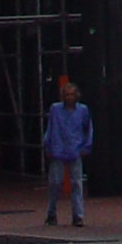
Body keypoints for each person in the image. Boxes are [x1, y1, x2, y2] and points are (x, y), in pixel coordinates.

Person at [43, 81, 93, 226]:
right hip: (58, 149)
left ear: (76, 95)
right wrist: (47, 146)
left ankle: (78, 215)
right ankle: (51, 212)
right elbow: (50, 128)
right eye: (67, 95)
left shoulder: (83, 110)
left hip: (74, 149)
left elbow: (88, 128)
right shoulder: (55, 109)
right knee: (54, 183)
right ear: (62, 96)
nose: (69, 97)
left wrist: (86, 147)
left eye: (72, 94)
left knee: (76, 183)